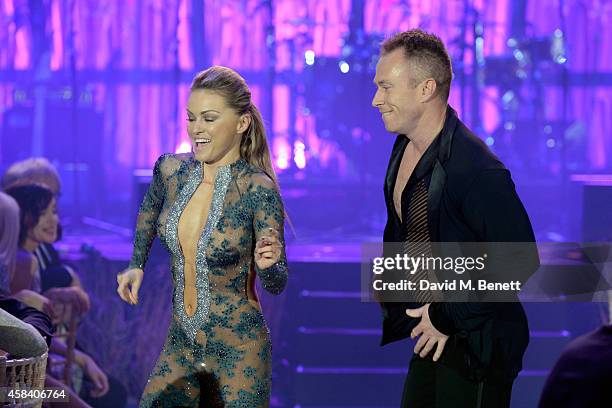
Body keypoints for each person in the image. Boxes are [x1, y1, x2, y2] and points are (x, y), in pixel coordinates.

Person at [372, 29, 539, 407]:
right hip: (434, 333)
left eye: (386, 87)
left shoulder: (474, 168)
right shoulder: (403, 148)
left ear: (426, 88)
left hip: (478, 343)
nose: (376, 100)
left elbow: (519, 260)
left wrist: (446, 315)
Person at [116, 65, 289, 407]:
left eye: (209, 118)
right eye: (191, 118)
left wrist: (269, 266)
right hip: (181, 344)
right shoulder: (171, 171)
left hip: (239, 351)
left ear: (242, 124)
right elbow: (149, 212)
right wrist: (136, 263)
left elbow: (277, 283)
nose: (197, 129)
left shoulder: (257, 189)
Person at [5, 183, 126, 408]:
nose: (53, 220)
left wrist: (81, 358)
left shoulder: (27, 259)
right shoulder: (23, 262)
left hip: (30, 379)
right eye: (44, 213)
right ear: (22, 217)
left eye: (54, 211)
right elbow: (18, 337)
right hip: (21, 385)